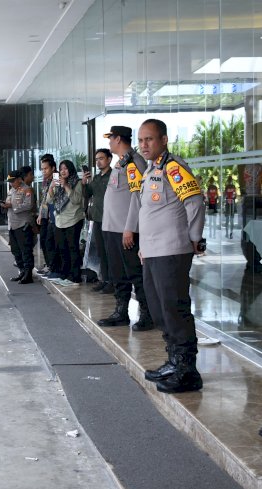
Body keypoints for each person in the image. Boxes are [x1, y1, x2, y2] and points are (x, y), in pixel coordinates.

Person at [137, 118, 205, 393]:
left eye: (149, 139)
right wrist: (144, 246)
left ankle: (187, 371)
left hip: (172, 250)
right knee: (159, 309)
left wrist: (194, 239)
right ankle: (174, 361)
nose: (144, 145)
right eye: (141, 140)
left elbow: (195, 201)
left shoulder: (173, 167)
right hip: (153, 252)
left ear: (163, 140)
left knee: (175, 308)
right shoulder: (150, 170)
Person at [96, 125, 154, 331]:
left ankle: (147, 314)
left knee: (135, 273)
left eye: (110, 138)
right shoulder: (122, 162)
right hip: (112, 228)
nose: (109, 142)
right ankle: (121, 312)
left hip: (125, 230)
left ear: (118, 139)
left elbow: (137, 196)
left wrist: (130, 228)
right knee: (118, 274)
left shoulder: (134, 161)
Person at [44, 160, 85, 285]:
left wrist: (66, 185)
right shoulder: (57, 184)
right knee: (62, 248)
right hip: (60, 221)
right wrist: (52, 186)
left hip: (73, 219)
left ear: (71, 169)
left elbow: (77, 200)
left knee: (73, 248)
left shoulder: (77, 182)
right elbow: (49, 200)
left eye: (66, 168)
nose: (63, 171)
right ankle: (65, 273)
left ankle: (75, 276)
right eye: (61, 169)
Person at [83, 149, 113, 293]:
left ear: (109, 159)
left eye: (101, 158)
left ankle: (112, 282)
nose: (98, 161)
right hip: (97, 219)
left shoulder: (113, 176)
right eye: (96, 159)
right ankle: (104, 279)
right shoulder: (96, 178)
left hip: (111, 220)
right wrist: (84, 183)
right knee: (101, 252)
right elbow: (88, 193)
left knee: (110, 252)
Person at [0, 171, 36, 284]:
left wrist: (12, 205)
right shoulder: (11, 190)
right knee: (16, 250)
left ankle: (28, 274)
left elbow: (29, 205)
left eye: (13, 181)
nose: (11, 184)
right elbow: (8, 203)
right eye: (9, 182)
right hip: (12, 225)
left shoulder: (27, 189)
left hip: (23, 224)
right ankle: (21, 272)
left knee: (25, 250)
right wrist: (4, 205)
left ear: (19, 179)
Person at [36, 155, 61, 277]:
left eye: (45, 168)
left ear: (53, 168)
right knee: (44, 241)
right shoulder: (45, 180)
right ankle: (49, 265)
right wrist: (41, 214)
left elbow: (56, 198)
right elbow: (44, 199)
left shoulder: (57, 179)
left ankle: (54, 267)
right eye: (42, 169)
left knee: (51, 242)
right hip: (46, 215)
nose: (43, 171)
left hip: (56, 216)